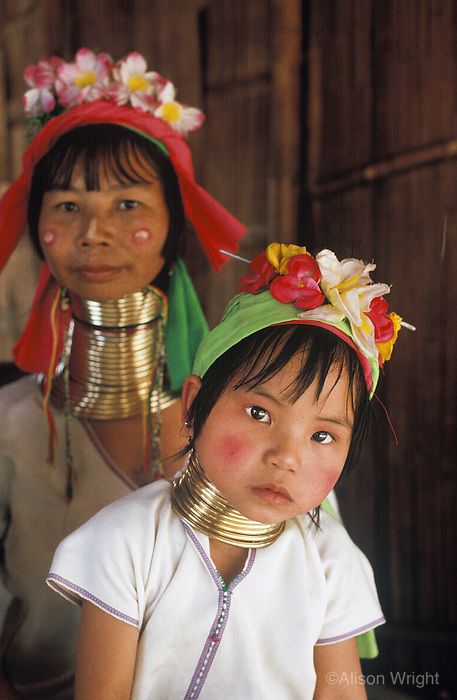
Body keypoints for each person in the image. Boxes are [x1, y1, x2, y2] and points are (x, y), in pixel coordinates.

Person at [47, 242, 405, 699]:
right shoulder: (126, 540)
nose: (286, 456)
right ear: (194, 405)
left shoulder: (331, 561)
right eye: (259, 414)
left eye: (322, 436)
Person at [0, 49, 246, 698]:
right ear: (38, 228)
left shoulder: (246, 423)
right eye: (68, 206)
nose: (95, 233)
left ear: (172, 226)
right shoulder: (10, 428)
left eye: (128, 204)